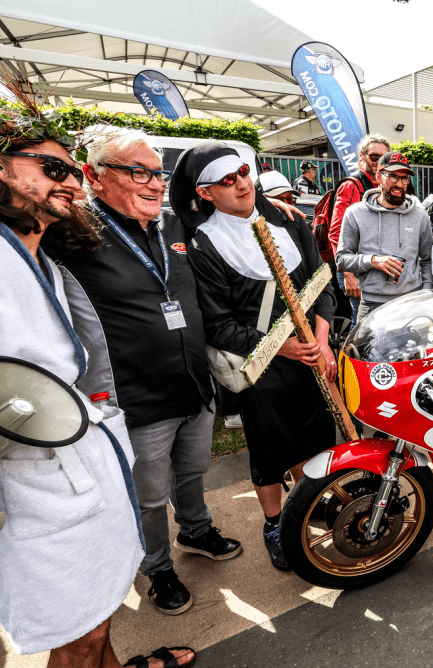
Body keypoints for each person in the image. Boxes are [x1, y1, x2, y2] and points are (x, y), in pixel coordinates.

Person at [0, 106, 193, 668]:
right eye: (53, 167)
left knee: (99, 600)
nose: (71, 181)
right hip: (21, 474)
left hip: (81, 453)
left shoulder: (42, 254)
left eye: (70, 170)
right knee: (76, 631)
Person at [65, 127, 241, 616]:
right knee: (147, 494)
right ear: (94, 176)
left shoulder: (172, 225)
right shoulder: (72, 232)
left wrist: (277, 208)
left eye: (157, 173)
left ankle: (196, 531)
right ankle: (157, 567)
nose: (155, 183)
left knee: (193, 470)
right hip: (135, 395)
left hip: (193, 381)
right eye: (138, 172)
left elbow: (233, 205)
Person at [172, 141, 338, 572]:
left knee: (318, 437)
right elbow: (217, 324)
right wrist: (284, 346)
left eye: (244, 172)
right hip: (261, 365)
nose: (242, 184)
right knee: (270, 447)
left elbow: (323, 283)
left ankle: (311, 503)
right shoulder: (204, 244)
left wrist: (321, 339)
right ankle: (275, 523)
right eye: (228, 180)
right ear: (205, 193)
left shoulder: (289, 220)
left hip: (313, 354)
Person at [335, 151, 433, 323]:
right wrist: (373, 261)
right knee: (364, 342)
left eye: (404, 178)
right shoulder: (355, 213)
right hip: (372, 305)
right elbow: (342, 259)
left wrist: (427, 293)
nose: (399, 184)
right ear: (379, 176)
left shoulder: (420, 216)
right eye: (393, 177)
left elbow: (426, 261)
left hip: (411, 304)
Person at [325, 134, 391, 322]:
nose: (379, 162)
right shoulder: (351, 186)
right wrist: (348, 275)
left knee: (376, 322)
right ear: (362, 157)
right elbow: (336, 234)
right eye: (374, 156)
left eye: (384, 158)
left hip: (375, 267)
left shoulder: (381, 186)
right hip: (355, 269)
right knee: (363, 323)